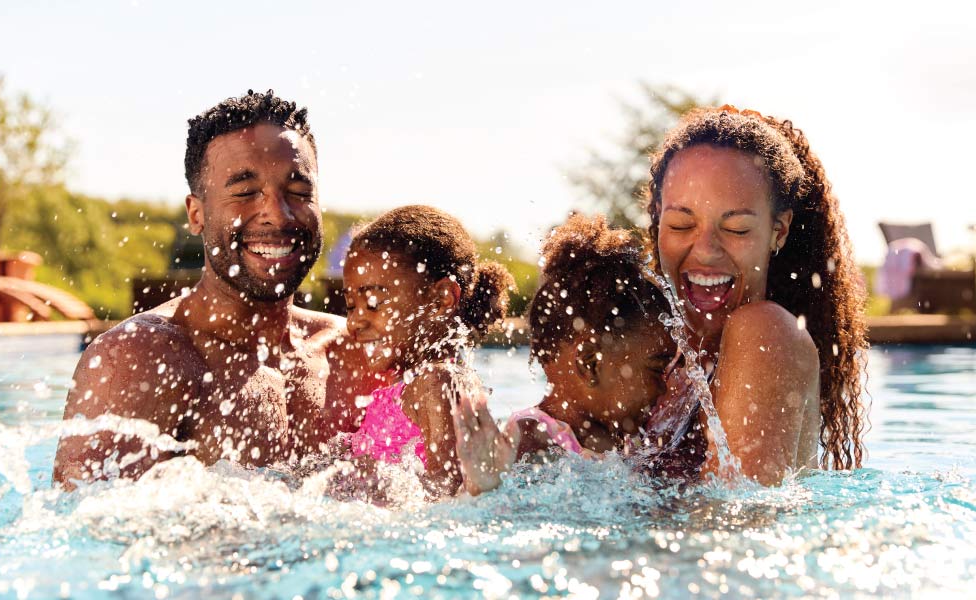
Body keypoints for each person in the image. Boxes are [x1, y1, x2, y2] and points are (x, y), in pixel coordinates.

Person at [52, 91, 375, 488]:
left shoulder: (354, 351)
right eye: (244, 192)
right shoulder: (140, 360)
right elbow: (87, 533)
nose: (277, 213)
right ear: (196, 213)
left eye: (299, 192)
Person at [644, 105, 868, 484]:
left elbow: (736, 523)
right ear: (657, 219)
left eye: (736, 229)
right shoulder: (667, 356)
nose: (705, 251)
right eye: (682, 224)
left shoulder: (765, 332)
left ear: (778, 231)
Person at [454, 214, 679, 495]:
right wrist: (485, 489)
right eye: (656, 369)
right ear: (590, 362)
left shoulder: (624, 439)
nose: (664, 387)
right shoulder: (530, 439)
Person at [339, 205, 515, 498]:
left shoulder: (438, 382)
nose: (354, 321)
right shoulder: (413, 383)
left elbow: (446, 495)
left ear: (441, 299)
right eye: (350, 306)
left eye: (372, 303)